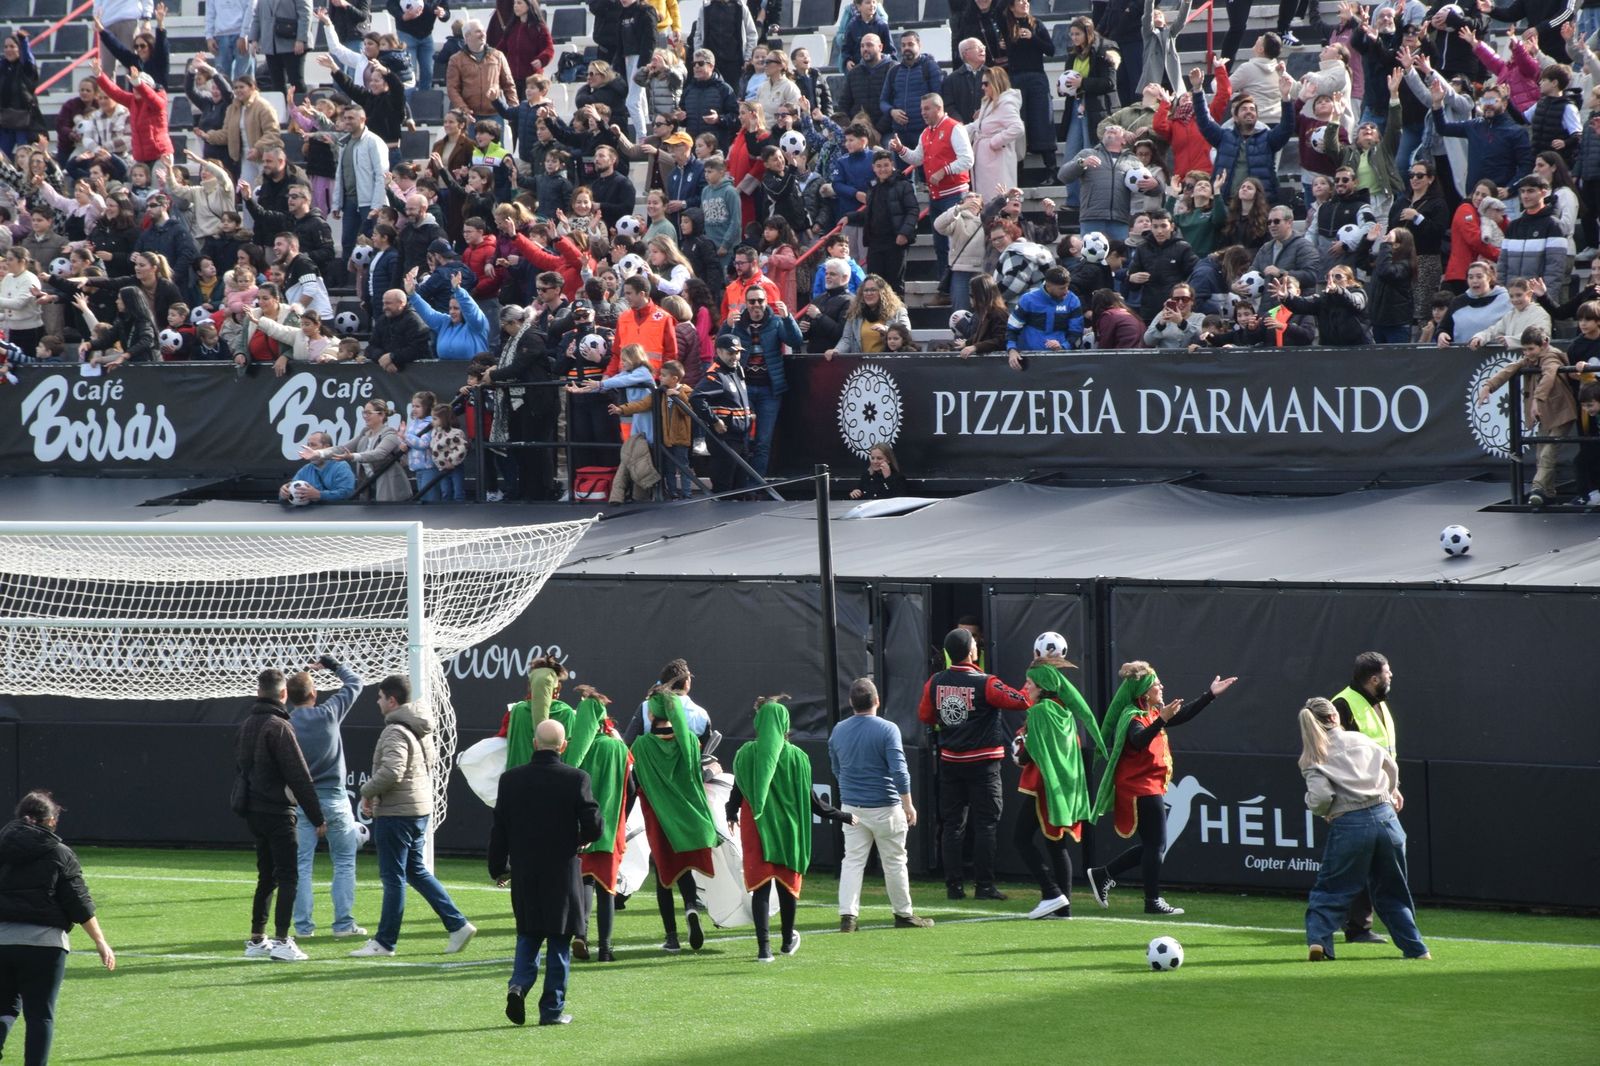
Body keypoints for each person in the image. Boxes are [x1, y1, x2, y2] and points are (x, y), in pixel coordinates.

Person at [1087, 660, 1237, 916]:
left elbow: (1185, 714)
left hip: (1148, 785)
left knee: (1152, 845)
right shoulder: (1133, 716)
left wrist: (1210, 694)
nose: (1162, 686)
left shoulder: (1154, 714)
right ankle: (1151, 901)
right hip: (1140, 787)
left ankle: (1103, 874)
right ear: (1145, 692)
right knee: (1156, 845)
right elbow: (1137, 741)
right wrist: (1161, 721)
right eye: (1157, 684)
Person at [352, 675, 478, 957]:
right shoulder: (418, 727)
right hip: (418, 809)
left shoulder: (395, 731)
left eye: (381, 696)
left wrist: (367, 791)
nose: (377, 701)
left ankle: (385, 942)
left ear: (392, 700)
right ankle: (458, 925)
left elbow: (392, 771)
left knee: (394, 876)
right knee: (415, 871)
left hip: (398, 813)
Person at [1298, 698, 1430, 962]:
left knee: (1332, 889)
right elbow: (1391, 766)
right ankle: (1417, 949)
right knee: (1393, 890)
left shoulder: (1313, 756)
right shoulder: (1360, 739)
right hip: (1386, 819)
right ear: (1334, 717)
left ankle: (1320, 942)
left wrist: (1323, 810)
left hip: (1349, 824)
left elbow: (1321, 797)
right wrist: (1391, 791)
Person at [490, 718, 601, 1025]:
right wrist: (579, 840)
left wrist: (499, 867)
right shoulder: (576, 778)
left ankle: (518, 984)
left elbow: (499, 829)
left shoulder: (510, 780)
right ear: (563, 746)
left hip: (526, 870)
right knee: (560, 939)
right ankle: (551, 1010)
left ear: (535, 744)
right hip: (561, 870)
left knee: (528, 933)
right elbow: (593, 824)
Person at [726, 697, 855, 961]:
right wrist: (844, 815)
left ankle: (764, 949)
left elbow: (737, 793)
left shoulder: (746, 755)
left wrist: (730, 813)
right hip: (789, 831)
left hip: (757, 831)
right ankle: (786, 942)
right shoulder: (798, 758)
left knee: (761, 889)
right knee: (786, 887)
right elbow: (813, 804)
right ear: (785, 724)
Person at [0, 791, 116, 1065]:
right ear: (51, 820)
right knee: (40, 1015)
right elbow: (78, 901)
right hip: (44, 946)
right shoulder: (58, 852)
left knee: (4, 1009)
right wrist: (100, 941)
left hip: (1, 942)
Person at [917, 626, 1030, 900]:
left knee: (952, 825)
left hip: (950, 763)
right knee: (986, 824)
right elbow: (1022, 700)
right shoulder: (986, 683)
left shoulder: (935, 682)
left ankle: (953, 887)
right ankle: (984, 886)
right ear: (971, 651)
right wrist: (1034, 676)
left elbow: (925, 716)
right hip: (984, 766)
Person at [234, 668, 327, 962]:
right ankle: (283, 941)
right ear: (283, 694)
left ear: (259, 691)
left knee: (267, 876)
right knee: (288, 876)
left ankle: (257, 939)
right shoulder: (280, 727)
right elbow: (299, 776)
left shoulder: (247, 723)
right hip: (277, 812)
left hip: (253, 811)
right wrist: (317, 817)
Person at [830, 678, 934, 932]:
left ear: (851, 703)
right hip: (886, 807)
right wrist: (908, 804)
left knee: (852, 861)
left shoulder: (839, 730)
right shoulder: (888, 729)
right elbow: (899, 770)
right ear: (877, 701)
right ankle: (903, 914)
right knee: (895, 861)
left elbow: (836, 768)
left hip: (852, 806)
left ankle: (848, 916)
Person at [1013, 656, 1105, 919]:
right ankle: (1063, 908)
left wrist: (1019, 748)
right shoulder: (1064, 712)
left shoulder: (1041, 711)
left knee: (1020, 838)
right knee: (1056, 845)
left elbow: (1030, 753)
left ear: (1042, 686)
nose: (1026, 686)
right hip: (1061, 788)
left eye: (1030, 682)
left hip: (1043, 787)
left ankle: (1052, 893)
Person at [630, 683, 719, 953]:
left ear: (650, 714)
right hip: (689, 820)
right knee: (685, 869)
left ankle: (671, 937)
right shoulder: (690, 742)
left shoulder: (642, 746)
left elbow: (638, 783)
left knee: (664, 878)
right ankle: (691, 907)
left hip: (659, 820)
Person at [287, 657, 367, 940]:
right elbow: (355, 682)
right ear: (314, 694)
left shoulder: (286, 722)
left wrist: (305, 674)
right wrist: (333, 666)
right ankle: (344, 924)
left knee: (302, 865)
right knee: (344, 861)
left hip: (302, 801)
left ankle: (303, 928)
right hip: (334, 798)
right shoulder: (329, 713)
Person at [1478, 326, 1577, 506]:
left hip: (1561, 411)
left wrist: (1537, 400)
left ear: (1544, 344)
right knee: (1541, 454)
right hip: (1544, 414)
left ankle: (1537, 488)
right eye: (1524, 349)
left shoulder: (1551, 357)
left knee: (1548, 452)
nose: (1527, 353)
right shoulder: (1530, 359)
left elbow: (1548, 376)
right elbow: (1510, 368)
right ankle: (1548, 492)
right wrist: (1488, 386)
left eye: (1531, 349)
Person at [1006, 266, 1084, 365]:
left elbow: (1077, 333)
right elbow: (1012, 329)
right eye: (1062, 288)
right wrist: (1012, 350)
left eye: (1067, 286)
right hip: (1029, 360)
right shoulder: (1028, 300)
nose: (1066, 291)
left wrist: (1064, 346)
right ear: (1048, 285)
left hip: (1060, 361)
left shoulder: (1073, 301)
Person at [279, 430, 357, 503]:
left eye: (313, 445)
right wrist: (284, 493)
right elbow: (292, 487)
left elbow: (347, 493)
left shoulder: (341, 466)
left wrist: (319, 495)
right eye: (308, 445)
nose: (309, 449)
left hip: (335, 515)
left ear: (326, 447)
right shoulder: (306, 469)